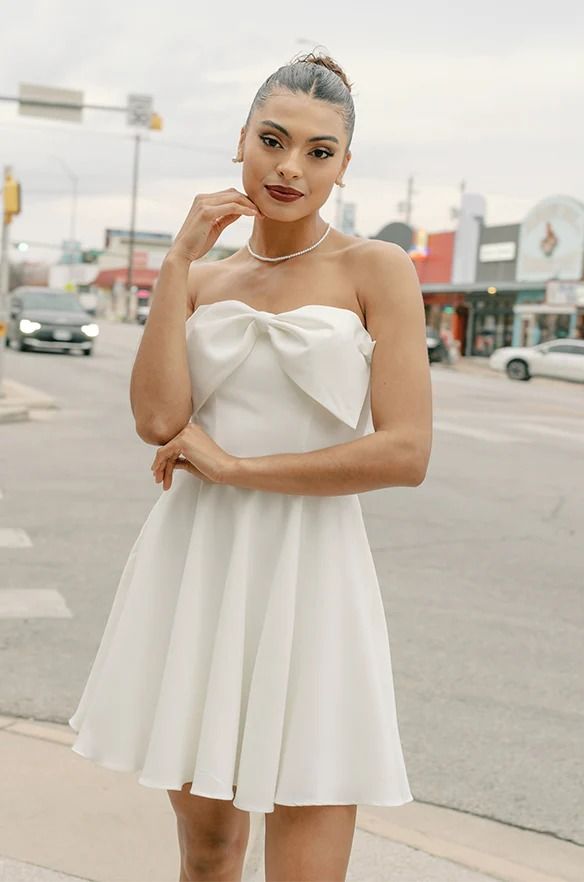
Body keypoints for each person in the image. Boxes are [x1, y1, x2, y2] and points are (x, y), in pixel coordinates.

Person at [68, 51, 433, 882]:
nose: (288, 167)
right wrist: (174, 263)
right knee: (207, 855)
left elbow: (406, 451)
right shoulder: (199, 278)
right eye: (272, 140)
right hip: (199, 570)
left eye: (318, 151)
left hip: (314, 576)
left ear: (343, 165)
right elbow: (157, 420)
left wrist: (235, 466)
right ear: (241, 140)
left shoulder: (376, 269)